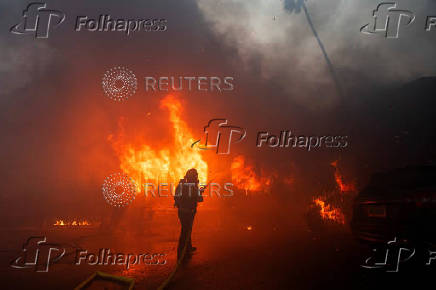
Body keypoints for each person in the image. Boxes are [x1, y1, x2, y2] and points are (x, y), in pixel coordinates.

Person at [174, 168, 205, 260]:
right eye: (195, 176)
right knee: (185, 231)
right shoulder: (192, 186)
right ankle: (182, 252)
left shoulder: (181, 184)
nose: (196, 177)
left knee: (187, 230)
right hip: (189, 213)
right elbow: (200, 199)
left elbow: (176, 197)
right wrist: (199, 192)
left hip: (182, 212)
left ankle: (188, 247)